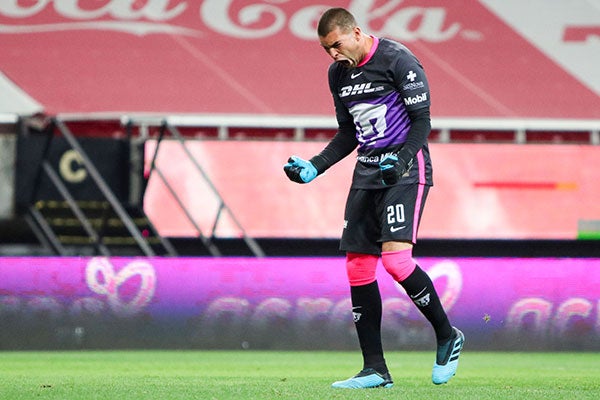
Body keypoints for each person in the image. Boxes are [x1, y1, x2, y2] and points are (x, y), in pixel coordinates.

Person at [283, 7, 464, 389]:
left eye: (335, 45)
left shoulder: (398, 60)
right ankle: (375, 370)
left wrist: (398, 162)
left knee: (397, 262)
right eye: (325, 49)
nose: (332, 55)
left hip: (406, 169)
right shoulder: (338, 74)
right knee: (357, 268)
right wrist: (315, 166)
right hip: (366, 174)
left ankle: (448, 335)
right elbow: (348, 133)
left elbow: (422, 122)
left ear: (356, 33)